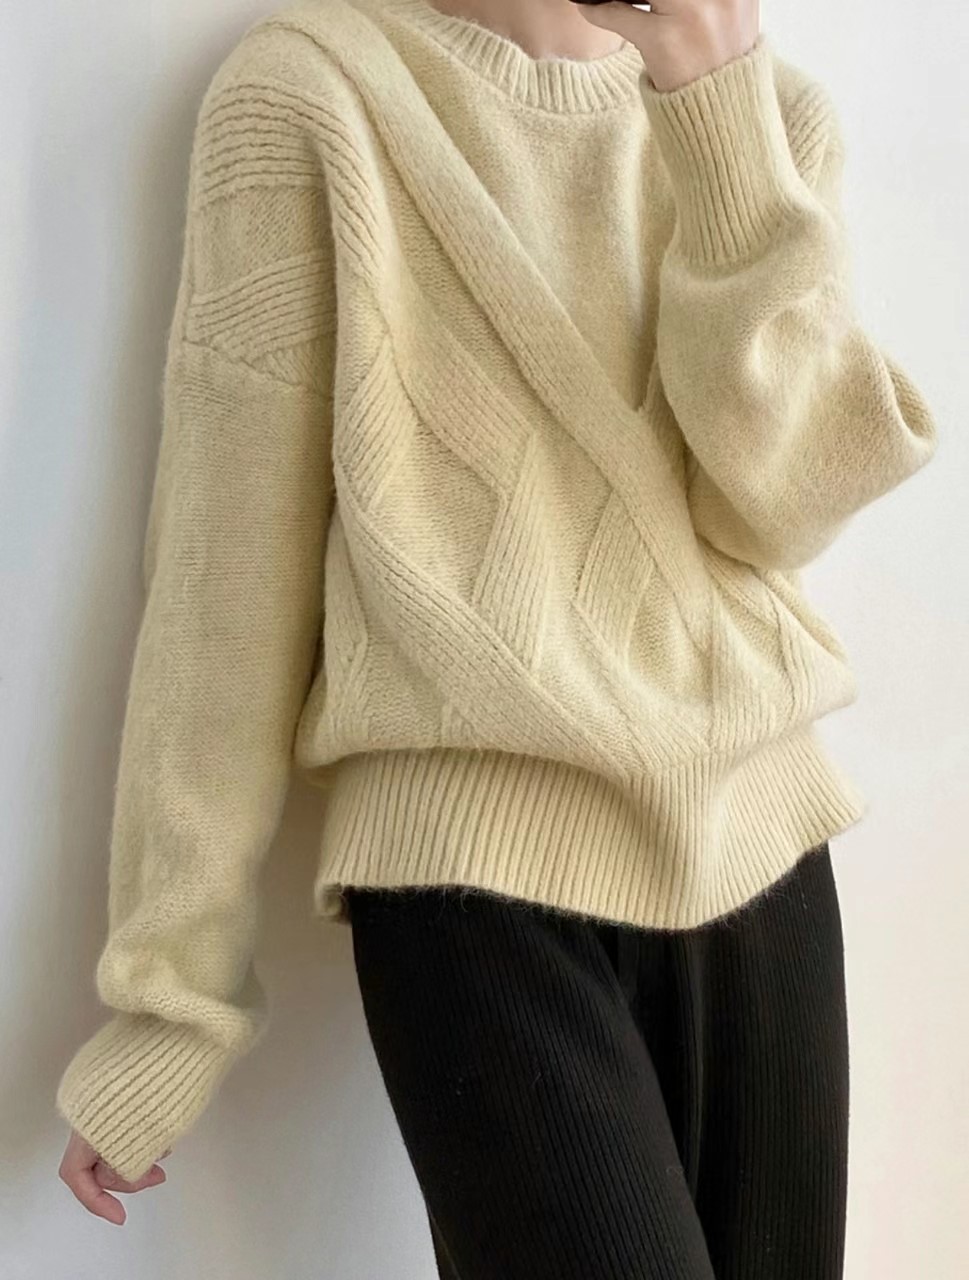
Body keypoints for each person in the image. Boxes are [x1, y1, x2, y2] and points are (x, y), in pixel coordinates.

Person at [56, 0, 937, 1273]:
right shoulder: (312, 93)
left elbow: (790, 504)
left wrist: (719, 109)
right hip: (476, 895)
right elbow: (223, 577)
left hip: (766, 851)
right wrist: (168, 997)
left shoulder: (767, 116)